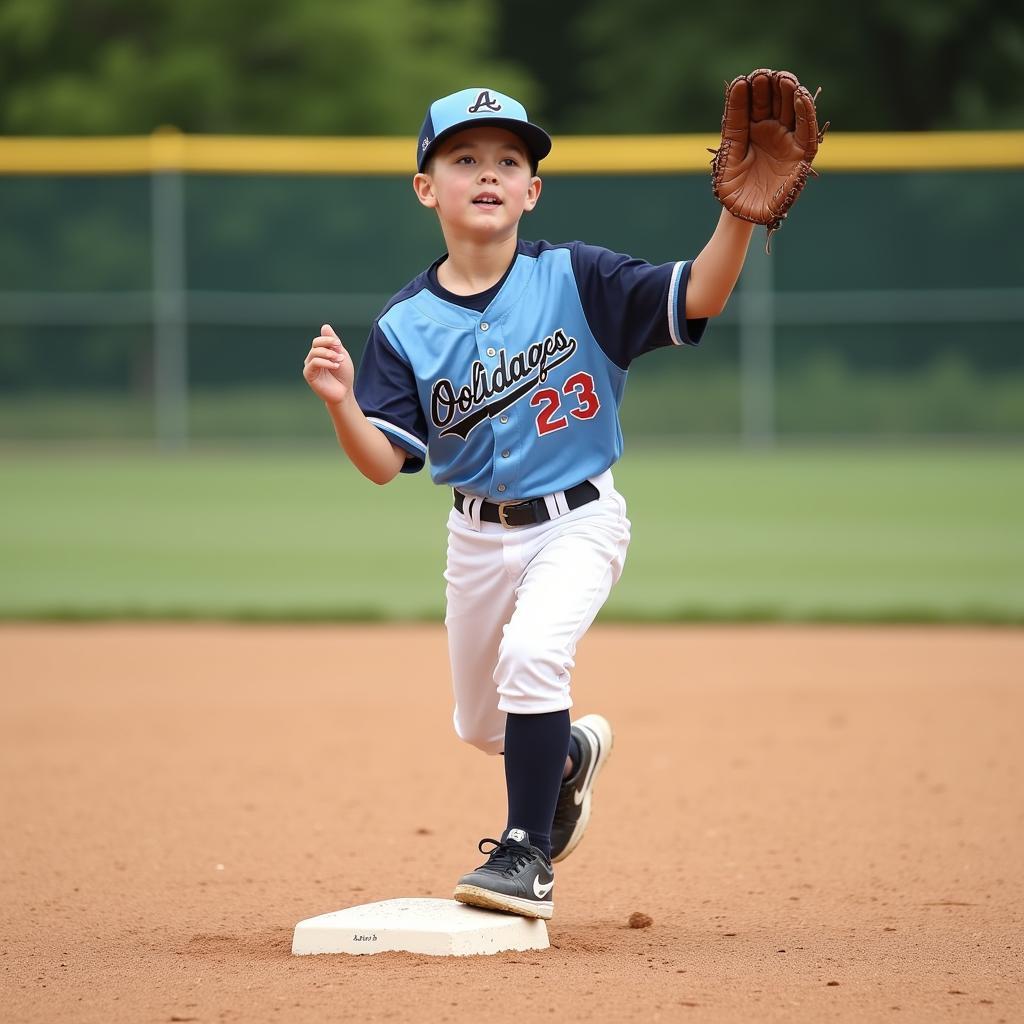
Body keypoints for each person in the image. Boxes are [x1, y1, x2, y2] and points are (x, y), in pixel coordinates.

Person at [303, 86, 758, 921]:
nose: (489, 173)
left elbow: (699, 296)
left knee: (533, 659)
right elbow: (381, 464)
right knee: (482, 724)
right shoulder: (405, 325)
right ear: (425, 186)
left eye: (509, 161)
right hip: (475, 537)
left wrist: (738, 219)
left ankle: (526, 853)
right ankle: (570, 755)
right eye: (465, 159)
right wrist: (340, 403)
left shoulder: (578, 277)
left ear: (532, 190)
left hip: (579, 519)